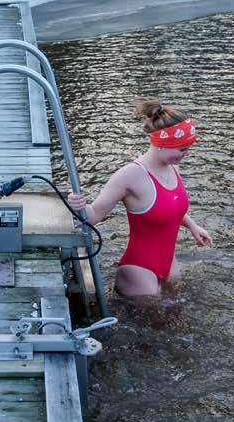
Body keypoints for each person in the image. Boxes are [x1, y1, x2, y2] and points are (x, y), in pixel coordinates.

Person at [67, 98, 212, 297]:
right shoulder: (129, 176)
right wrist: (76, 204)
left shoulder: (173, 167)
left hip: (169, 264)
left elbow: (169, 208)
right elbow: (93, 216)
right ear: (163, 143)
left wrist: (193, 226)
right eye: (182, 149)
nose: (186, 154)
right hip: (139, 272)